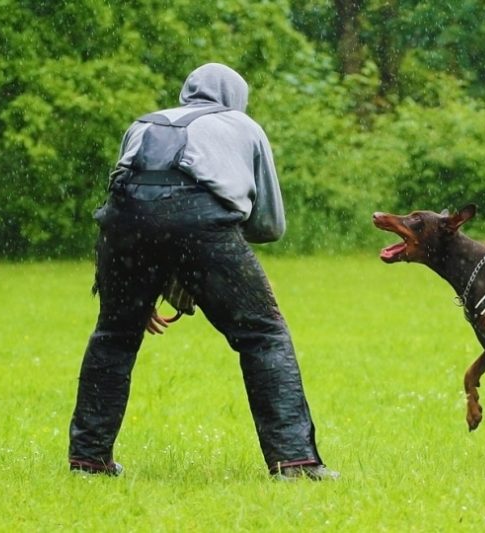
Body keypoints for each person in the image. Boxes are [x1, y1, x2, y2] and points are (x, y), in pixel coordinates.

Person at [68, 62, 338, 481]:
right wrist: (202, 259)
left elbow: (132, 201)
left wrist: (145, 280)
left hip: (123, 225)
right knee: (263, 334)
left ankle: (88, 460)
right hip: (200, 223)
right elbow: (268, 226)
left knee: (114, 335)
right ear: (236, 97)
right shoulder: (243, 125)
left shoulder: (145, 122)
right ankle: (295, 462)